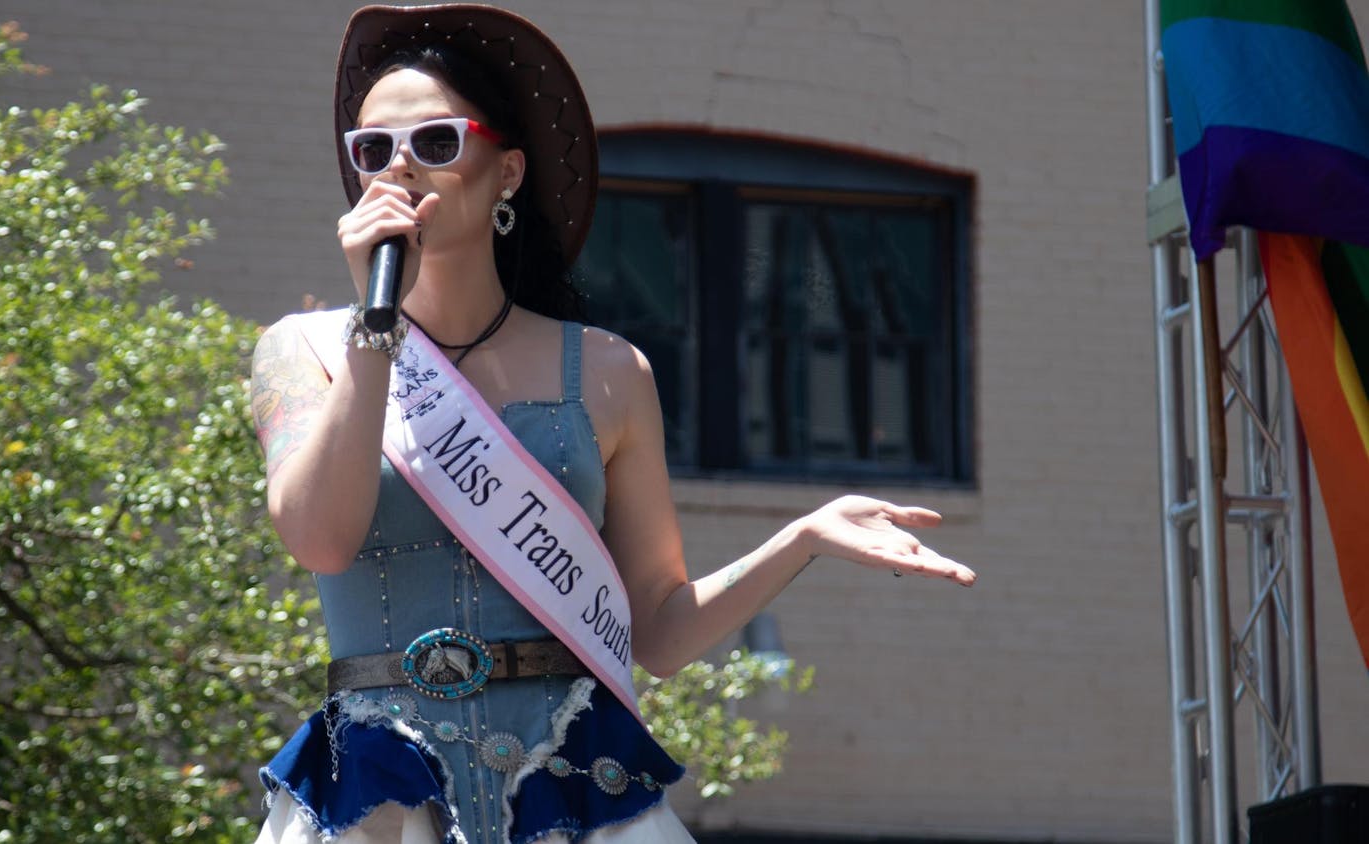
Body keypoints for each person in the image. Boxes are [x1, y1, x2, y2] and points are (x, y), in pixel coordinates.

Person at [248, 6, 977, 843]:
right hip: (378, 794)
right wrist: (375, 332)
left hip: (570, 787)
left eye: (436, 143)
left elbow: (658, 634)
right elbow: (318, 540)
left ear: (508, 171)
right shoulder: (305, 351)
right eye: (373, 151)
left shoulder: (608, 372)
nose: (400, 169)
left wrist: (802, 538)